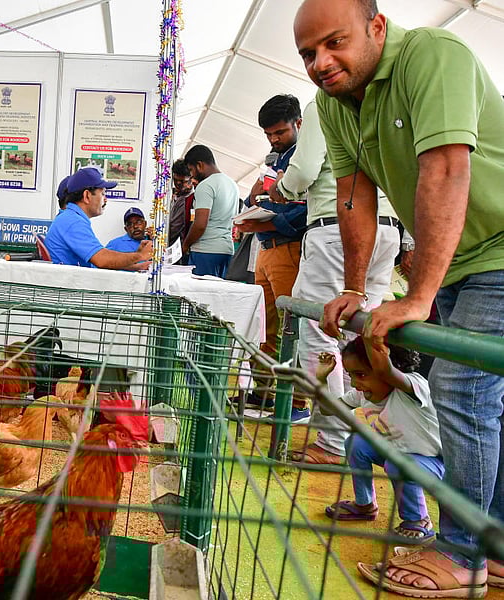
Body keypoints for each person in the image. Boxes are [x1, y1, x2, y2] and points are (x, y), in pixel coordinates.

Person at [295, 0, 504, 595]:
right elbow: (355, 195)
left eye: (334, 43)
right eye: (308, 53)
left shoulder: (433, 57)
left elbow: (444, 168)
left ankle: (465, 555)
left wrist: (418, 295)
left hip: (500, 245)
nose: (320, 61)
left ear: (376, 27)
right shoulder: (333, 106)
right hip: (467, 254)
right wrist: (356, 287)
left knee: (463, 388)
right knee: (488, 395)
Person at [275, 99, 401, 466]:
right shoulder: (388, 100)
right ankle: (372, 433)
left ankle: (332, 441)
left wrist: (282, 189)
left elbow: (304, 171)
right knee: (364, 336)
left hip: (337, 228)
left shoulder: (325, 103)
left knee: (320, 335)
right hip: (387, 228)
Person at [320, 339, 443, 545]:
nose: (354, 383)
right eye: (351, 375)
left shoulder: (412, 386)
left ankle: (418, 521)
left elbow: (386, 371)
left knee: (398, 464)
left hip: (435, 463)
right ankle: (365, 505)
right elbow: (327, 409)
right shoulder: (362, 394)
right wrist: (321, 378)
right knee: (356, 443)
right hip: (399, 454)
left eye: (361, 375)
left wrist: (371, 335)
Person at [237, 95, 309, 421]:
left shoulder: (303, 158)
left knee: (289, 327)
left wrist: (271, 216)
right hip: (266, 248)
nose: (274, 139)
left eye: (279, 132)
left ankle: (293, 402)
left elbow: (301, 209)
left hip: (289, 246)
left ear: (299, 124)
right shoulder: (275, 158)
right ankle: (264, 392)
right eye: (268, 134)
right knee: (263, 325)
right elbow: (265, 194)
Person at [45, 167, 153, 270]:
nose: (105, 200)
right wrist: (140, 256)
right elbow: (102, 260)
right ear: (87, 196)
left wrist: (136, 266)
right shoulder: (72, 221)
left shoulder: (72, 218)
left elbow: (96, 262)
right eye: (102, 194)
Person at [181, 145, 237, 277]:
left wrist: (186, 244)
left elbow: (200, 225)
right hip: (227, 250)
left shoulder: (205, 186)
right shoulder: (232, 184)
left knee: (199, 295)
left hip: (205, 251)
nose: (192, 175)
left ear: (199, 165)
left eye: (191, 170)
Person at [168, 160, 195, 261]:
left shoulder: (188, 199)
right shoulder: (176, 195)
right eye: (175, 180)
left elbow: (174, 227)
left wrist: (159, 234)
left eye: (182, 181)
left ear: (191, 179)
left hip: (178, 250)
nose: (178, 184)